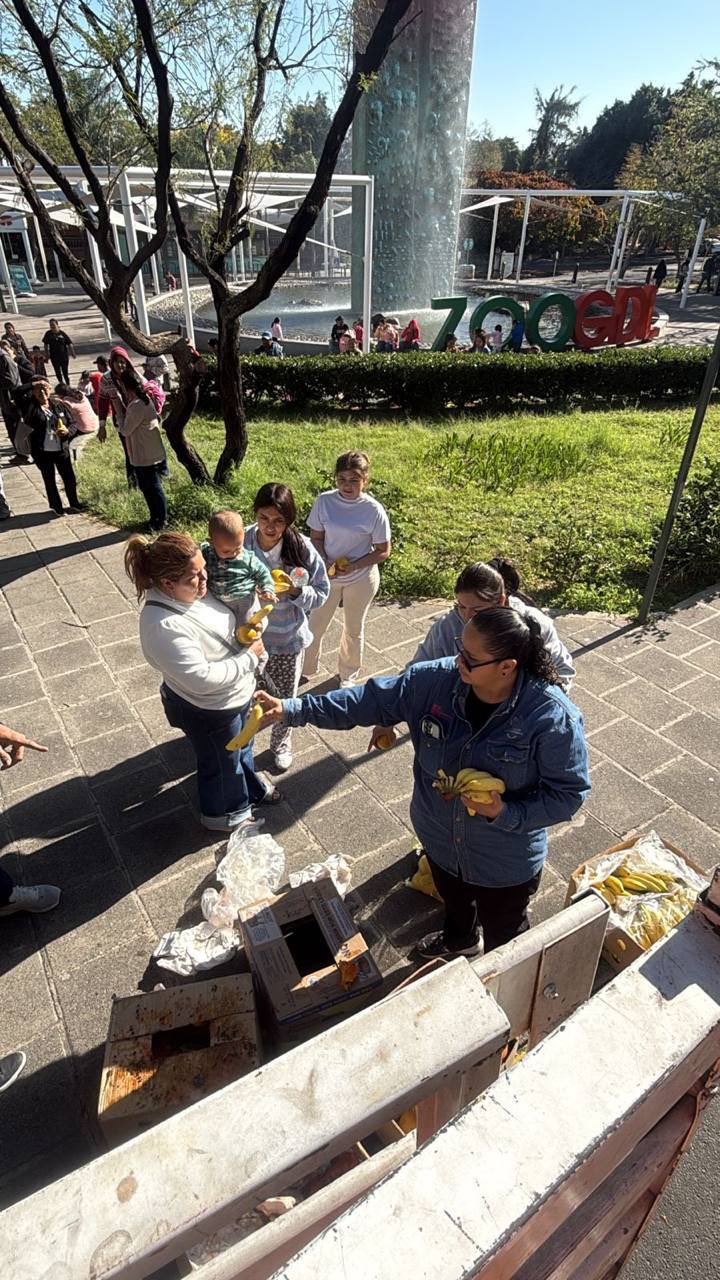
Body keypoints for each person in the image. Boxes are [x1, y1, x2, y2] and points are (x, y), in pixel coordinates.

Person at [256, 605, 590, 956]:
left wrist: (504, 811)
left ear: (507, 667)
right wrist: (291, 709)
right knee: (455, 904)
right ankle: (459, 940)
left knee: (506, 938)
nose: (457, 660)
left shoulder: (551, 717)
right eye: (460, 648)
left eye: (470, 659)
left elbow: (568, 794)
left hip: (504, 863)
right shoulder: (431, 682)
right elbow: (364, 701)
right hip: (440, 841)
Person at [126, 531, 279, 832]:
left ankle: (248, 787)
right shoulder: (163, 626)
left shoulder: (190, 592)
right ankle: (225, 815)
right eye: (194, 576)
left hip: (233, 696)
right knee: (221, 763)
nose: (205, 578)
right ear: (168, 584)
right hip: (209, 708)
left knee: (240, 747)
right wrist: (250, 658)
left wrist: (252, 622)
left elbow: (227, 620)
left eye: (203, 568)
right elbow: (201, 679)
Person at [244, 484, 330, 770]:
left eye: (278, 521)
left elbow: (321, 592)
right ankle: (244, 742)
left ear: (289, 521)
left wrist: (295, 593)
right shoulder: (242, 541)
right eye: (264, 518)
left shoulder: (301, 548)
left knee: (284, 699)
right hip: (247, 641)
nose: (270, 526)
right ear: (255, 514)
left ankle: (281, 742)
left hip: (286, 640)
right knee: (246, 696)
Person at [409, 560, 575, 691]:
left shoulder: (534, 624)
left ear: (501, 601)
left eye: (476, 610)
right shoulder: (448, 626)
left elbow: (562, 672)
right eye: (461, 606)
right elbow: (415, 673)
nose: (466, 617)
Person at [304, 450, 391, 687]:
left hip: (361, 577)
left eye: (354, 480)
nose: (347, 485)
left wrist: (353, 566)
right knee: (316, 623)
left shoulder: (373, 509)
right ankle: (306, 667)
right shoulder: (324, 501)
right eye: (342, 479)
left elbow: (383, 550)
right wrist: (325, 561)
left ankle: (348, 675)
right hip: (329, 574)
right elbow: (316, 538)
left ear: (365, 480)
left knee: (354, 628)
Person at [97, 346, 166, 488]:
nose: (120, 365)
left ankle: (157, 476)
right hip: (123, 420)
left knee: (148, 447)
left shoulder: (134, 375)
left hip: (141, 418)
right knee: (130, 450)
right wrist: (102, 425)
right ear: (111, 363)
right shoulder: (106, 380)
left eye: (123, 361)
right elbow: (103, 401)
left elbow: (148, 392)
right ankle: (134, 483)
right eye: (117, 362)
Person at [15, 377, 84, 516]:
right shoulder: (30, 407)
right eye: (38, 389)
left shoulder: (58, 405)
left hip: (61, 449)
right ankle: (57, 507)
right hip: (42, 451)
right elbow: (16, 392)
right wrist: (33, 383)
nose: (42, 392)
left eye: (44, 388)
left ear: (50, 389)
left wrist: (67, 432)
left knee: (69, 477)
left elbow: (73, 424)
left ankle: (74, 503)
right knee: (49, 479)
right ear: (33, 392)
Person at [202, 509, 276, 635]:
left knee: (248, 630)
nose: (234, 553)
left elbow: (263, 573)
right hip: (218, 600)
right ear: (212, 543)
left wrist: (267, 589)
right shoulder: (207, 554)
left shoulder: (247, 558)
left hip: (244, 601)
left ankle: (258, 652)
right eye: (226, 551)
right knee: (223, 632)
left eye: (238, 547)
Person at [115, 366, 168, 531]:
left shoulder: (137, 405)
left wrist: (118, 410)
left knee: (151, 487)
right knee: (150, 487)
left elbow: (125, 430)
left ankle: (160, 520)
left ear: (126, 386)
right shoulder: (143, 400)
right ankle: (156, 518)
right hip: (149, 451)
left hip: (144, 454)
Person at [53, 383, 99, 463]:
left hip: (85, 428)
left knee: (68, 435)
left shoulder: (67, 403)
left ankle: (73, 459)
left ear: (60, 394)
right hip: (95, 423)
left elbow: (67, 417)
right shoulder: (80, 395)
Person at [42, 318, 75, 384]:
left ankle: (68, 384)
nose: (52, 326)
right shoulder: (48, 334)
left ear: (57, 324)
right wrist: (47, 355)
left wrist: (72, 353)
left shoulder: (62, 333)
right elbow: (45, 345)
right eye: (50, 325)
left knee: (65, 372)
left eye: (53, 324)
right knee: (57, 372)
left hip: (63, 357)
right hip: (54, 357)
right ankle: (61, 383)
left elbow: (69, 343)